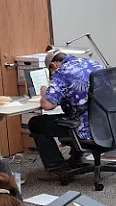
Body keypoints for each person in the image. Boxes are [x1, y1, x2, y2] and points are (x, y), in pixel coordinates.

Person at [28, 49, 102, 181]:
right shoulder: (94, 64)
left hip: (84, 128)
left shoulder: (62, 72)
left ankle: (57, 169)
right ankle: (76, 159)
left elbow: (47, 105)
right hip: (106, 124)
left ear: (53, 65)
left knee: (36, 123)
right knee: (70, 114)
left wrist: (45, 91)